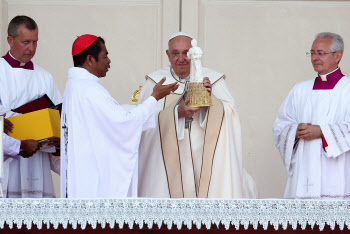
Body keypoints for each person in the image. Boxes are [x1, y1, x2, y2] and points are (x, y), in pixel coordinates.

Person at [137, 32, 258, 198]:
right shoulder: (156, 82)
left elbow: (231, 117)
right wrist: (175, 114)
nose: (181, 58)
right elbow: (142, 122)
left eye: (186, 53)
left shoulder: (214, 80)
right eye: (175, 53)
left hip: (203, 157)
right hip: (166, 168)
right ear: (168, 55)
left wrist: (211, 99)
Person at [60, 34, 178, 198]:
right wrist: (154, 98)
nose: (109, 61)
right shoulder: (90, 90)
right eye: (105, 55)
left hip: (84, 173)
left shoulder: (74, 87)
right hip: (94, 180)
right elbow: (124, 124)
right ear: (90, 59)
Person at [273, 32, 350, 199]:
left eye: (321, 53)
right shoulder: (300, 90)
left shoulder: (348, 89)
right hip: (304, 171)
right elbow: (281, 125)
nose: (315, 58)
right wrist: (295, 131)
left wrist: (322, 132)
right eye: (312, 53)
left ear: (338, 56)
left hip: (337, 172)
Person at [0, 16, 61, 198]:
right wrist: (18, 145)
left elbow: (57, 117)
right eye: (26, 42)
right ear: (10, 40)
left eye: (35, 42)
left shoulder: (45, 77)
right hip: (9, 160)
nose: (32, 48)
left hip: (38, 160)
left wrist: (54, 141)